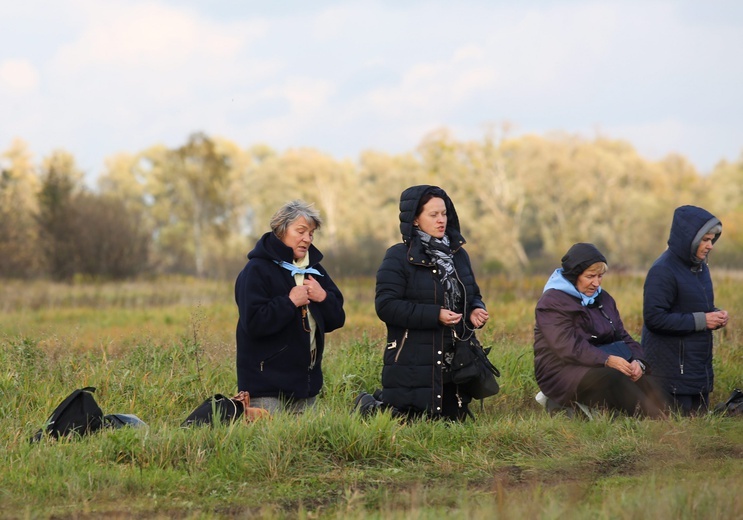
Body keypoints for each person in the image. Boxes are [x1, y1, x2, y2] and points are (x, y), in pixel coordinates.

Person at [374, 185, 489, 421]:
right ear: (415, 219)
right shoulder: (398, 256)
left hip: (456, 360)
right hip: (413, 363)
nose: (441, 220)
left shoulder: (458, 255)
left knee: (453, 429)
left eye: (444, 213)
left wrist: (476, 309)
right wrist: (434, 314)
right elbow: (385, 306)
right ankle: (369, 408)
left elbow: (471, 293)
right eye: (433, 215)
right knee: (411, 427)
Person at [235, 200, 345, 413]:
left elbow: (337, 319)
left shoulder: (315, 270)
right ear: (281, 230)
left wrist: (323, 297)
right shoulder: (256, 270)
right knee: (269, 446)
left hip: (306, 388)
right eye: (301, 231)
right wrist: (289, 302)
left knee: (310, 445)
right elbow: (254, 323)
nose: (307, 239)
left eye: (311, 233)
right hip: (265, 388)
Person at [534, 243, 665, 418]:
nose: (596, 283)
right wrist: (607, 360)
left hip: (596, 363)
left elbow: (623, 336)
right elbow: (566, 347)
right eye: (590, 276)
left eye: (600, 276)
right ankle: (654, 423)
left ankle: (672, 418)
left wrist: (637, 362)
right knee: (614, 377)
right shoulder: (551, 302)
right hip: (561, 370)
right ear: (574, 276)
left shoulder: (604, 298)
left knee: (640, 375)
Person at [642, 205, 727, 415]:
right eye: (705, 240)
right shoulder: (662, 270)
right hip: (671, 378)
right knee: (677, 438)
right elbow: (655, 318)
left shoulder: (701, 268)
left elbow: (695, 307)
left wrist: (715, 314)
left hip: (697, 374)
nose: (710, 246)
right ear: (689, 238)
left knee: (700, 436)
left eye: (712, 240)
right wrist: (703, 321)